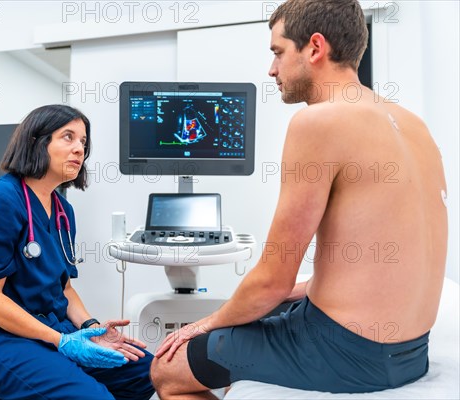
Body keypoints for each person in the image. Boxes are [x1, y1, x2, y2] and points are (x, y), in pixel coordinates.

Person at [150, 0, 448, 397]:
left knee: (167, 369)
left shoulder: (318, 121)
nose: (272, 69)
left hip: (347, 354)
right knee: (258, 309)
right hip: (411, 352)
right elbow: (379, 267)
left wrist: (203, 324)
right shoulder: (415, 126)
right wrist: (295, 292)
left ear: (314, 47)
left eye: (277, 52)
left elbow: (273, 280)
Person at [0, 105, 155, 400]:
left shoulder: (63, 211)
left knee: (151, 372)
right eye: (68, 137)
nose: (79, 149)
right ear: (35, 142)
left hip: (49, 330)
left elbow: (64, 288)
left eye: (83, 142)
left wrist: (92, 328)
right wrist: (63, 341)